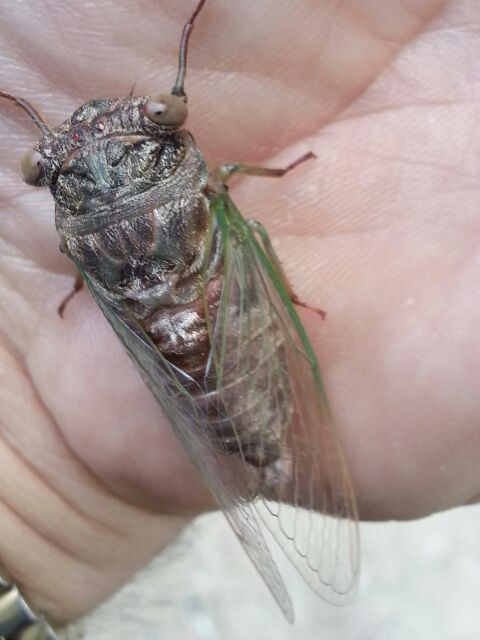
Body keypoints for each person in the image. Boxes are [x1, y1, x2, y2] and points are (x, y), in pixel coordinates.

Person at [0, 0, 477, 628]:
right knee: (246, 228)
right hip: (219, 307)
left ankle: (254, 449)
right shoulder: (198, 180)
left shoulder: (76, 235)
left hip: (159, 336)